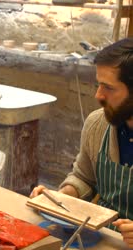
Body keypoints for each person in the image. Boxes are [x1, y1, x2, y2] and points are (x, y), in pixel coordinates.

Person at [30, 38, 133, 246]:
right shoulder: (99, 123)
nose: (98, 95)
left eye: (108, 88)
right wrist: (61, 198)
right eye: (98, 85)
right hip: (100, 238)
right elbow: (84, 178)